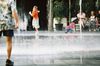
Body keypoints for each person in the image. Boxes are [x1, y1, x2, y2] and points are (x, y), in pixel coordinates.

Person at [0, 0, 18, 65]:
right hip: (8, 23)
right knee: (8, 41)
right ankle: (8, 60)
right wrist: (17, 22)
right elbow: (14, 12)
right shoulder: (10, 1)